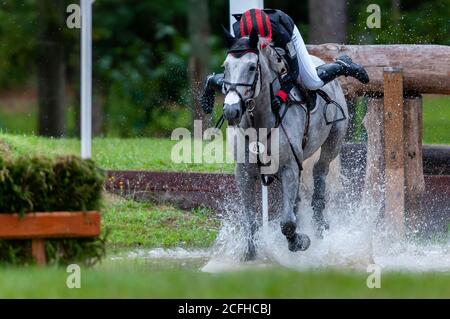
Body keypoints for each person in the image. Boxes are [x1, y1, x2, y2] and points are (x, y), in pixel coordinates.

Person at [200, 8, 369, 114]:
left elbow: (293, 71)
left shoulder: (281, 34)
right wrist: (215, 85)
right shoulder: (238, 34)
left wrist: (282, 94)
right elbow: (236, 72)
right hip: (254, 34)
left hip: (288, 30)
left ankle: (342, 65)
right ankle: (210, 81)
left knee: (312, 81)